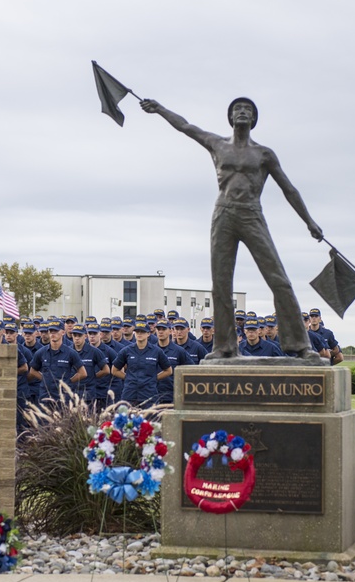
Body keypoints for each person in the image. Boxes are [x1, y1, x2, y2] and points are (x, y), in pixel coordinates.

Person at [141, 96, 323, 360]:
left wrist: (309, 221)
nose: (242, 112)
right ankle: (224, 346)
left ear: (253, 119)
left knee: (279, 280)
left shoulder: (264, 154)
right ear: (230, 117)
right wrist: (159, 109)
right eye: (237, 108)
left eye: (247, 109)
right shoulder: (216, 144)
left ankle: (299, 344)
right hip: (223, 214)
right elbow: (185, 126)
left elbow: (289, 189)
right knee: (221, 283)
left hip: (252, 215)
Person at [111, 322, 171, 406]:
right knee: (127, 417)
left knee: (149, 418)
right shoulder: (126, 351)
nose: (139, 334)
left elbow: (168, 370)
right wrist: (128, 378)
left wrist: (153, 379)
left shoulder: (156, 351)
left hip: (149, 393)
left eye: (142, 332)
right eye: (137, 332)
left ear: (148, 334)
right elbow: (114, 370)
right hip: (130, 393)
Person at [28, 321, 86, 399]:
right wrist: (45, 379)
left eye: (55, 331)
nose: (52, 334)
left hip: (63, 396)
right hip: (46, 394)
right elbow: (32, 371)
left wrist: (67, 382)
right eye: (51, 331)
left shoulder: (70, 353)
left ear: (63, 332)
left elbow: (83, 373)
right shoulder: (41, 352)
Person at [153, 321, 193, 404]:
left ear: (170, 331)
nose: (160, 331)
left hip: (172, 395)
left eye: (164, 329)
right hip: (152, 394)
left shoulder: (179, 351)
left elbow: (191, 371)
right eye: (158, 329)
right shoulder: (151, 350)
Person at [68, 323, 109, 403]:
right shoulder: (68, 351)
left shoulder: (94, 351)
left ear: (85, 336)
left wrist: (93, 376)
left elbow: (106, 370)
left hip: (88, 392)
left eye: (79, 335)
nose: (77, 338)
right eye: (75, 335)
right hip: (71, 391)